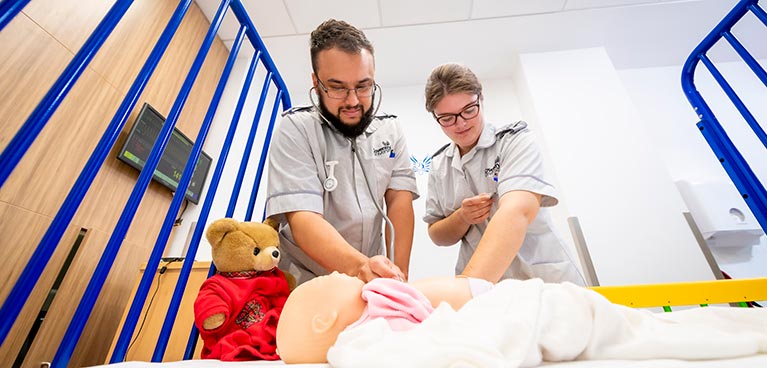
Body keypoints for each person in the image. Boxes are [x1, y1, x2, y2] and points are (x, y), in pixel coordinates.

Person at [276, 272, 767, 366]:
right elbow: (436, 351)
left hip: (519, 295)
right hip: (522, 311)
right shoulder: (364, 339)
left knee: (640, 326)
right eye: (332, 279)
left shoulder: (382, 313)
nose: (344, 273)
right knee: (651, 332)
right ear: (323, 324)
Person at [265, 19, 418, 286]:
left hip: (370, 278)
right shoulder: (295, 130)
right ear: (316, 82)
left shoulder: (390, 131)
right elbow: (304, 218)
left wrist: (398, 277)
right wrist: (361, 268)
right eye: (337, 87)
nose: (353, 101)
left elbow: (399, 204)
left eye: (363, 86)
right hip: (306, 279)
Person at [422, 62, 584, 285]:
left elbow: (516, 211)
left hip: (541, 277)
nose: (461, 124)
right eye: (448, 118)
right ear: (436, 118)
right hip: (488, 286)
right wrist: (462, 218)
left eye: (469, 110)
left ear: (481, 99)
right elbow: (437, 234)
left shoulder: (514, 141)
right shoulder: (440, 166)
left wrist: (466, 286)